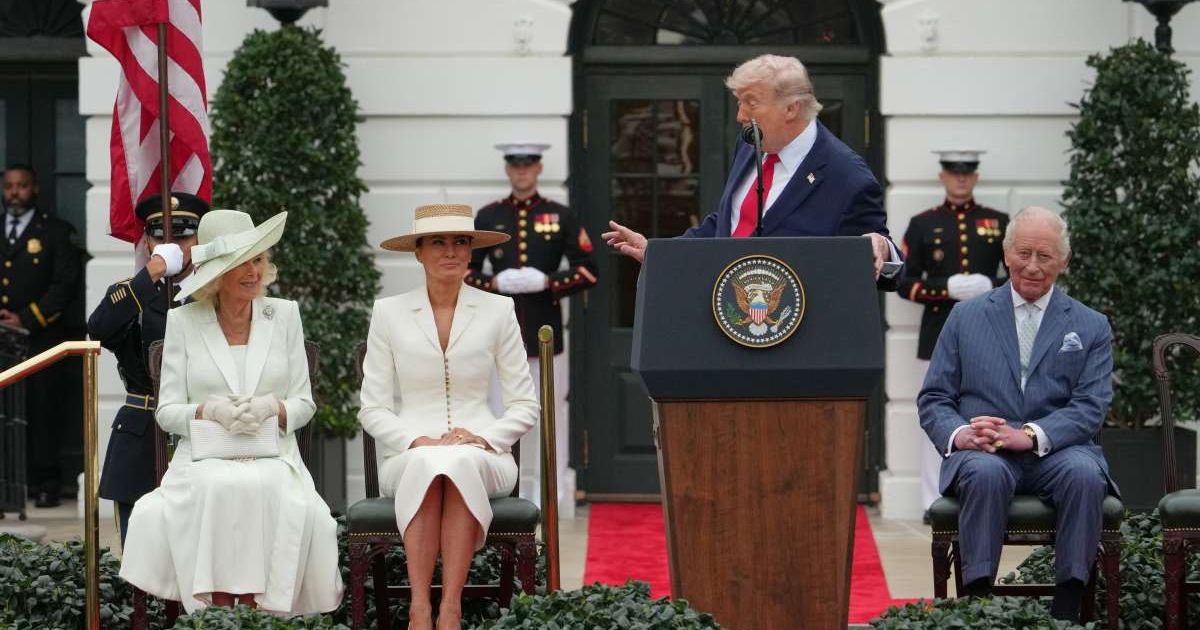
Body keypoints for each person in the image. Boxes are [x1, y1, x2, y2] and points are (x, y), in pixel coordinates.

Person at [119, 209, 343, 614]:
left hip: (275, 455)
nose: (253, 271)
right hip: (202, 458)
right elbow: (167, 411)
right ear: (217, 273)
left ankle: (262, 612)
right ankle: (219, 612)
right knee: (217, 488)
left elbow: (304, 404)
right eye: (242, 262)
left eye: (258, 259)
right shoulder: (183, 321)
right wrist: (208, 410)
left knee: (271, 491)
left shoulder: (285, 314)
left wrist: (271, 407)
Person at [918, 206, 1116, 623]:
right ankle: (978, 604)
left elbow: (1091, 406)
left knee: (1085, 474)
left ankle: (1068, 607)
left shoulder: (1091, 325)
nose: (1032, 266)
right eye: (1024, 253)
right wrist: (960, 436)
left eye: (1045, 256)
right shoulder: (964, 317)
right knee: (986, 474)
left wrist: (1029, 434)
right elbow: (935, 397)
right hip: (983, 452)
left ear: (1064, 260)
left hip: (1058, 452)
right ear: (1007, 254)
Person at [360, 204, 538, 630]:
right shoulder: (389, 313)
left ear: (472, 251)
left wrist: (483, 437)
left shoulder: (499, 310)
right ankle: (422, 606)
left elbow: (524, 405)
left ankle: (450, 607)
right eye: (438, 242)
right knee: (431, 462)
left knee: (456, 461)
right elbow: (373, 407)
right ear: (418, 252)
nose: (451, 251)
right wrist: (413, 440)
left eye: (461, 241)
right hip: (407, 456)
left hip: (484, 455)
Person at [601, 54, 902, 290]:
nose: (740, 116)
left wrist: (881, 247)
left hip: (798, 344)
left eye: (751, 103)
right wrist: (658, 252)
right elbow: (730, 224)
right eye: (739, 102)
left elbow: (887, 269)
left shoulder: (846, 174)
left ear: (791, 108)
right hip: (729, 323)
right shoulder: (750, 146)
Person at [465, 142, 597, 511]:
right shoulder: (489, 216)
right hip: (497, 336)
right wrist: (495, 284)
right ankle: (501, 495)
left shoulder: (560, 215)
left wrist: (548, 281)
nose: (522, 171)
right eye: (515, 165)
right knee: (497, 417)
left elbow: (588, 270)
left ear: (539, 168)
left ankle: (549, 497)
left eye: (529, 165)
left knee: (549, 418)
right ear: (508, 170)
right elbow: (465, 271)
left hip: (544, 334)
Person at [88, 192, 210, 542]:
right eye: (161, 237)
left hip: (197, 430)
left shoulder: (212, 294)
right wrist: (152, 273)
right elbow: (99, 329)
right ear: (147, 240)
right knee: (140, 550)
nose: (173, 245)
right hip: (143, 430)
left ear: (199, 240)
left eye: (184, 236)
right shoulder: (133, 293)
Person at [899, 150, 1009, 522]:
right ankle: (934, 501)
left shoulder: (998, 221)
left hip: (989, 332)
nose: (961, 180)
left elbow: (1019, 274)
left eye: (967, 174)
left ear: (975, 178)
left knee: (988, 413)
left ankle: (982, 494)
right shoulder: (922, 225)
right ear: (943, 176)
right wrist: (944, 287)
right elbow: (904, 282)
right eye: (953, 173)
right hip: (938, 331)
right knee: (936, 416)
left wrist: (988, 284)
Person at [1, 163, 84, 507]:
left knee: (43, 411)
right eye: (9, 187)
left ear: (34, 188)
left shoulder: (54, 231)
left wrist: (24, 318)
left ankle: (47, 482)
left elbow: (65, 284)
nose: (14, 193)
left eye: (21, 186)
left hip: (41, 337)